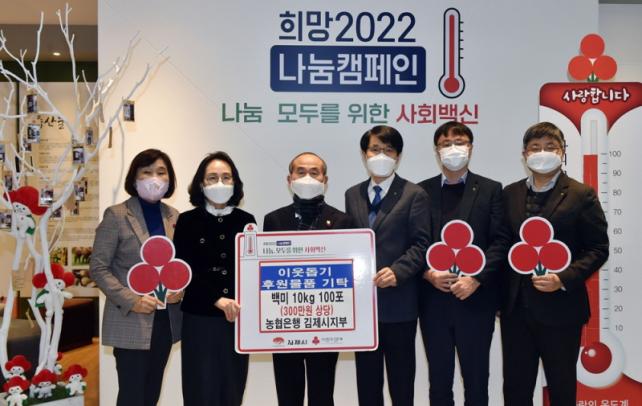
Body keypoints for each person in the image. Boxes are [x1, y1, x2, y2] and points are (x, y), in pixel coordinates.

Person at [490, 122, 609, 405]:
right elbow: (502, 246)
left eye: (550, 147)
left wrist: (563, 278)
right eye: (535, 147)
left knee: (561, 386)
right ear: (524, 154)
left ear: (562, 151)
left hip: (561, 309)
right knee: (516, 387)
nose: (542, 153)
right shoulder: (510, 193)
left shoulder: (581, 194)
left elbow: (598, 248)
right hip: (516, 309)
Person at [345, 125, 431, 406]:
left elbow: (422, 244)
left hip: (399, 303)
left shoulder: (414, 194)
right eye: (375, 149)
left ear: (398, 156)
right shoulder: (352, 194)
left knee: (401, 382)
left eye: (388, 150)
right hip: (362, 308)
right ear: (364, 154)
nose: (381, 155)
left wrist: (398, 271)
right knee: (367, 383)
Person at [418, 121, 502, 406]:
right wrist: (427, 273)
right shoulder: (421, 191)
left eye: (460, 142)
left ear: (471, 148)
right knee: (439, 381)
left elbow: (500, 241)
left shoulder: (490, 189)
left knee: (476, 381)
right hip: (434, 301)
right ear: (436, 150)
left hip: (475, 299)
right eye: (446, 144)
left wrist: (476, 278)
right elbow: (415, 241)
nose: (453, 148)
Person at [90, 149, 183, 406]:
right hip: (130, 319)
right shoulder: (116, 215)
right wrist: (132, 300)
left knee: (151, 394)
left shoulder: (174, 216)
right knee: (132, 396)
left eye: (161, 172)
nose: (155, 178)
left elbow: (178, 265)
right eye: (147, 172)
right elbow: (98, 267)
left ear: (170, 179)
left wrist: (179, 290)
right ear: (134, 178)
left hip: (165, 321)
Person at [263, 152, 353, 406]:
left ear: (325, 179)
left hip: (325, 323)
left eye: (314, 173)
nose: (307, 178)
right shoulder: (274, 220)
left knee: (322, 395)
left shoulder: (343, 221)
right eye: (300, 172)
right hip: (285, 323)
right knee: (288, 395)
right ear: (289, 179)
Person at [174, 151, 255, 406]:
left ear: (235, 182)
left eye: (226, 177)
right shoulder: (187, 221)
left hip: (236, 318)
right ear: (201, 184)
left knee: (232, 387)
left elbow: (252, 269)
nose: (220, 183)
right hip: (199, 318)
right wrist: (217, 299)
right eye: (212, 178)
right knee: (200, 387)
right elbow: (184, 270)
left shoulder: (247, 221)